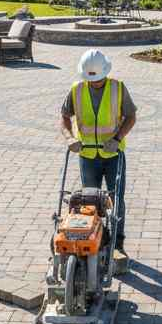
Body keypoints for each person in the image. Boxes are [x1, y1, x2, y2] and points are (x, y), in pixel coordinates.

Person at [60, 48, 136, 254]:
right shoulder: (76, 90)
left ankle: (117, 242)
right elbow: (65, 116)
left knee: (116, 199)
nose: (95, 82)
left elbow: (131, 116)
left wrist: (117, 138)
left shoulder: (118, 88)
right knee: (89, 200)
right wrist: (69, 138)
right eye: (91, 79)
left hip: (113, 154)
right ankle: (94, 236)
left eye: (99, 79)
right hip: (87, 155)